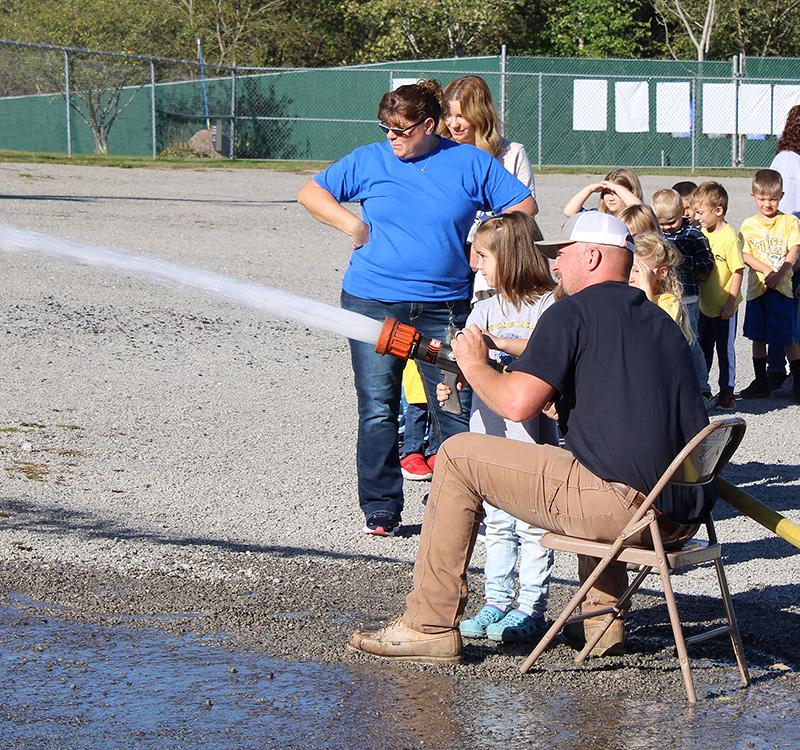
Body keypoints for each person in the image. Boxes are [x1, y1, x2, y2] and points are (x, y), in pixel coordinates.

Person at [347, 212, 711, 664]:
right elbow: (624, 414)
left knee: (458, 454)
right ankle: (600, 626)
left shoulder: (573, 312)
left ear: (592, 256)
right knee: (598, 463)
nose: (555, 265)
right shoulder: (660, 323)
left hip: (620, 511)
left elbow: (517, 404)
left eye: (564, 254)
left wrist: (474, 363)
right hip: (678, 516)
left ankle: (428, 625)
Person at [297, 79, 535, 538]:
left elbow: (523, 206)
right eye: (386, 127)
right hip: (371, 302)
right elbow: (312, 193)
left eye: (402, 129)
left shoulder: (467, 161)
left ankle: (459, 505)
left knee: (453, 406)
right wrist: (353, 223)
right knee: (378, 406)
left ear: (430, 125)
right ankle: (381, 508)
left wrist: (486, 245)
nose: (392, 137)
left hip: (443, 306)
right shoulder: (369, 158)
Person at [436, 213, 557, 643]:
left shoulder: (549, 305)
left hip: (532, 440)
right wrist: (450, 381)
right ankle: (496, 600)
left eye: (483, 255)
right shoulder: (482, 309)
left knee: (531, 525)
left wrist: (497, 345)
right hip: (488, 433)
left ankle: (531, 607)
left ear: (511, 257)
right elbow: (462, 358)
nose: (475, 264)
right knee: (498, 522)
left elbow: (545, 351)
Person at [439, 74, 538, 303]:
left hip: (495, 262)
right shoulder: (438, 153)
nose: (453, 124)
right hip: (450, 258)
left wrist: (481, 245)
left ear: (480, 114)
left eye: (461, 116)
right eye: (448, 115)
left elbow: (525, 214)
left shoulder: (511, 154)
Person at [738, 169, 800, 402]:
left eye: (773, 198)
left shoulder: (789, 221)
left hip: (782, 290)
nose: (767, 203)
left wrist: (782, 272)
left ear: (781, 196)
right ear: (753, 196)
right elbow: (744, 253)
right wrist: (766, 271)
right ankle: (761, 381)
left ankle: (797, 381)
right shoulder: (749, 225)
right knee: (758, 337)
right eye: (762, 198)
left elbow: (794, 248)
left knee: (788, 338)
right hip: (758, 290)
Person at [652, 188, 715, 404]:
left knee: (691, 341)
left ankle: (702, 387)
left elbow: (707, 264)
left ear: (683, 213)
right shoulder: (657, 236)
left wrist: (682, 259)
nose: (667, 227)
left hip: (688, 298)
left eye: (672, 222)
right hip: (664, 297)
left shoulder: (693, 235)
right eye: (662, 223)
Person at [693, 182, 744, 413]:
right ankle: (704, 390)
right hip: (705, 306)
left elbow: (738, 270)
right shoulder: (701, 234)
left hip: (724, 307)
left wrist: (731, 302)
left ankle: (727, 392)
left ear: (718, 211)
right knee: (704, 349)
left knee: (725, 350)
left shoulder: (729, 237)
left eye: (701, 212)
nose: (697, 217)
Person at [765, 106, 800, 393]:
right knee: (786, 306)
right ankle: (780, 371)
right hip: (793, 240)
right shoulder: (788, 160)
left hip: (792, 238)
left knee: (787, 306)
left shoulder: (788, 159)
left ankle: (782, 371)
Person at [629, 232, 693, 342]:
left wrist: (646, 287)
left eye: (638, 271)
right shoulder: (627, 294)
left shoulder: (668, 302)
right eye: (628, 269)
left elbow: (653, 328)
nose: (630, 278)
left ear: (661, 273)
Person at [563, 168, 643, 218]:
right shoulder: (599, 215)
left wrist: (616, 188)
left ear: (631, 193)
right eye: (606, 193)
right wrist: (589, 189)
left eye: (616, 193)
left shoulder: (634, 219)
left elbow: (638, 209)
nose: (611, 198)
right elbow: (569, 212)